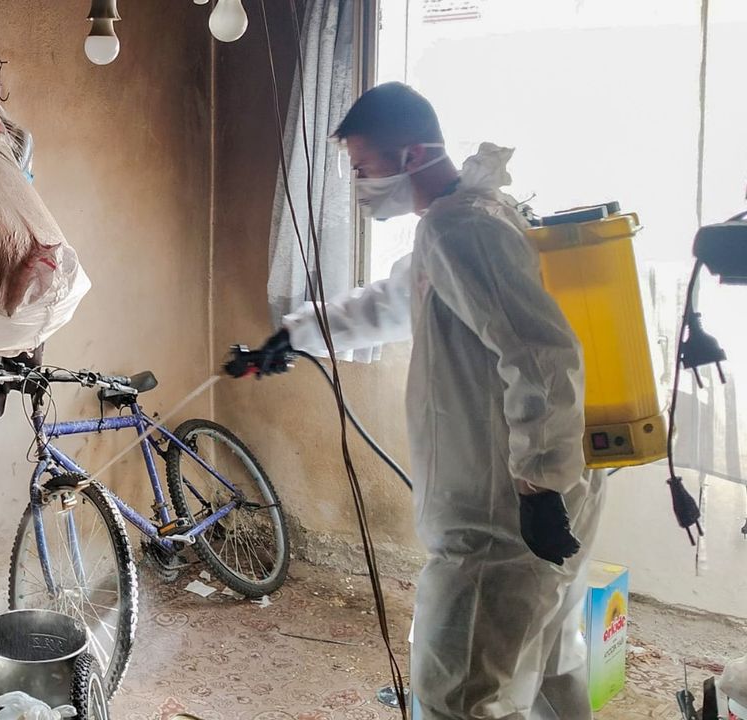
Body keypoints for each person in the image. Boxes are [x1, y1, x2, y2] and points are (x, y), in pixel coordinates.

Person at [256, 83, 604, 719]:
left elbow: (541, 355)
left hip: (503, 508)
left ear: (412, 155)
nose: (360, 185)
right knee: (547, 662)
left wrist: (538, 483)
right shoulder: (464, 218)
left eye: (365, 167)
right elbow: (394, 302)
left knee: (459, 689)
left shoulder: (460, 227)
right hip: (530, 493)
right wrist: (294, 334)